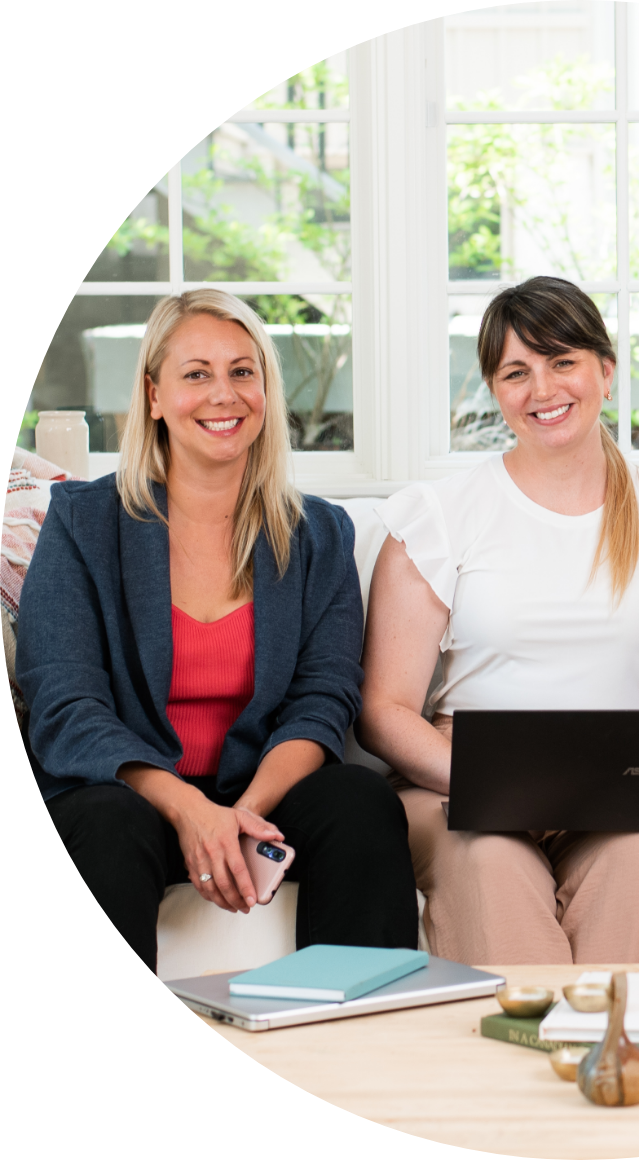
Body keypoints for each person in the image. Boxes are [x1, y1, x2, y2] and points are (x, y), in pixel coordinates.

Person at [17, 289, 418, 968]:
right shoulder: (83, 522)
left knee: (360, 799)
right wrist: (189, 810)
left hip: (260, 793)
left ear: (265, 389)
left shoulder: (319, 534)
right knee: (103, 825)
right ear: (153, 395)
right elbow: (65, 705)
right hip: (129, 796)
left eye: (242, 371)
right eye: (196, 373)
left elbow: (322, 703)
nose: (223, 394)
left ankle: (350, 1054)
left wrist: (243, 816)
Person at [357, 275, 639, 965]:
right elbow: (383, 709)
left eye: (561, 361)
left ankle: (621, 1062)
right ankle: (517, 1070)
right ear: (494, 388)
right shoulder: (438, 518)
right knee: (490, 867)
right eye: (516, 372)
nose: (542, 390)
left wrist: (624, 788)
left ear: (605, 369)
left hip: (622, 797)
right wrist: (490, 781)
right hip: (461, 788)